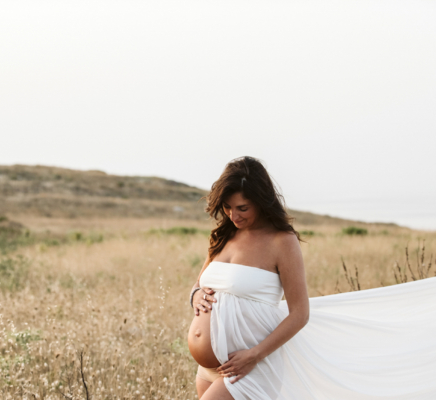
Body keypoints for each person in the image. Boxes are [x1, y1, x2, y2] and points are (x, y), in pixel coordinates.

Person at [187, 156, 436, 400]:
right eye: (227, 207)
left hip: (250, 367)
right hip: (209, 370)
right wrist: (196, 294)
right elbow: (199, 285)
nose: (234, 216)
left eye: (243, 208)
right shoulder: (224, 236)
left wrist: (253, 355)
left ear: (262, 201)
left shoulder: (281, 241)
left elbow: (300, 314)